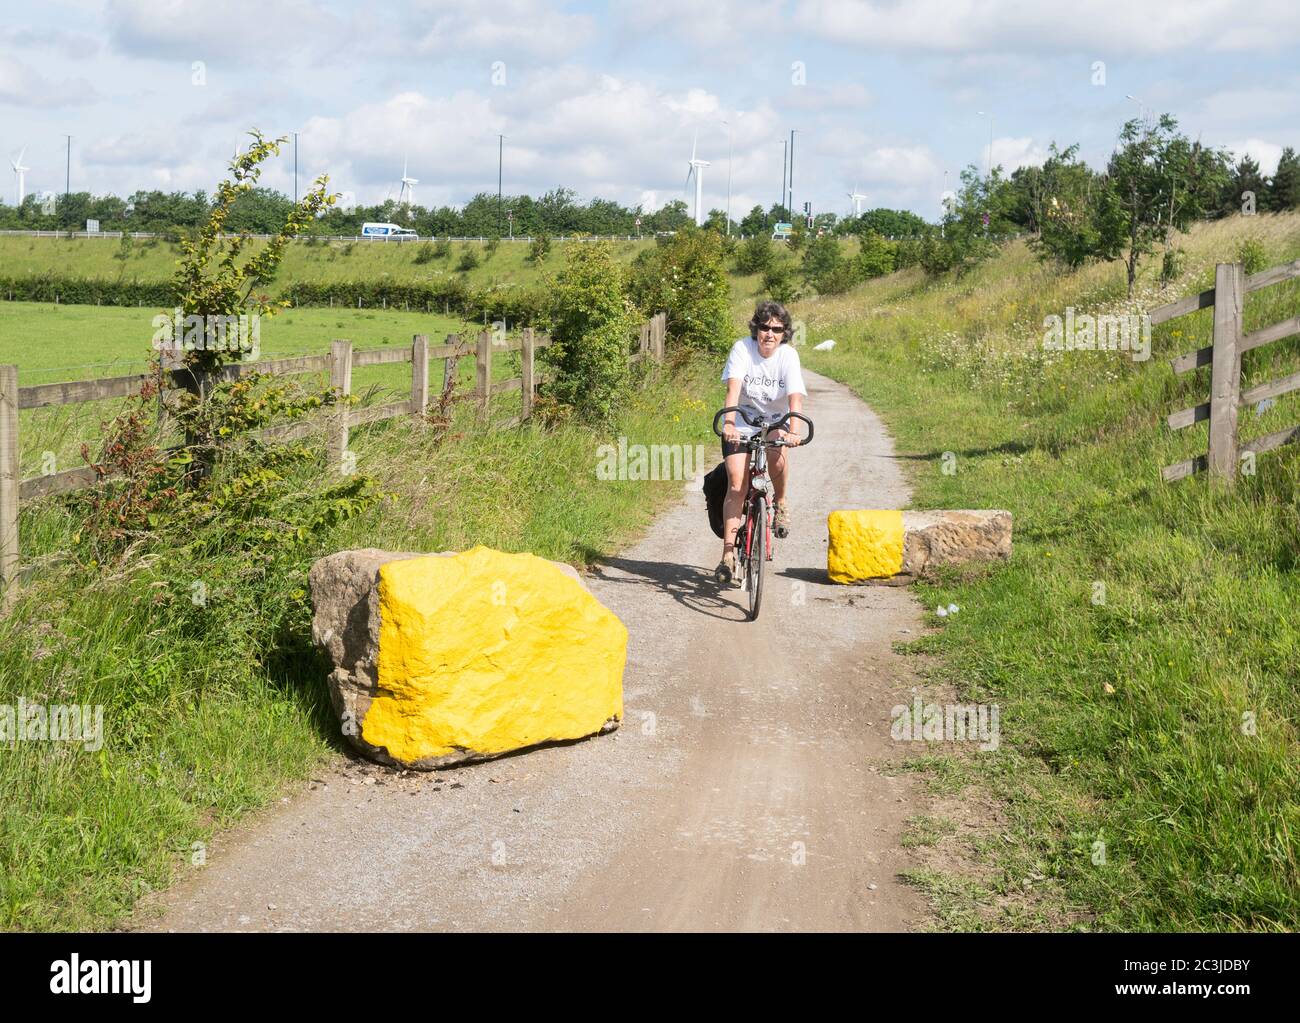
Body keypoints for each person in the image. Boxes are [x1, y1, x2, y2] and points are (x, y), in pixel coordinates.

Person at [715, 300, 807, 585]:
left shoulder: (788, 356)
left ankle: (780, 503)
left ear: (784, 333)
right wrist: (729, 424)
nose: (769, 334)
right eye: (764, 327)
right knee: (737, 483)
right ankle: (728, 556)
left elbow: (795, 398)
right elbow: (733, 388)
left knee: (777, 451)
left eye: (777, 329)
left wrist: (793, 431)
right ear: (756, 329)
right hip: (742, 420)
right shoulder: (742, 348)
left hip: (775, 421)